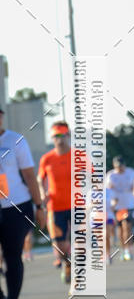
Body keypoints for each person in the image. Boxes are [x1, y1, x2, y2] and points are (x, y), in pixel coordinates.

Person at [0, 107, 45, 299]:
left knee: (12, 256)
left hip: (16, 206)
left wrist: (39, 206)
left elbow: (29, 175)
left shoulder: (15, 141)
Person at [38, 121, 72, 286]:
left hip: (77, 206)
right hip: (55, 207)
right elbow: (40, 178)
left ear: (68, 135)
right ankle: (67, 263)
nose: (58, 139)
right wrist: (42, 192)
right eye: (55, 136)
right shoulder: (47, 159)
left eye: (61, 135)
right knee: (59, 245)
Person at [105, 155, 134, 261]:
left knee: (127, 227)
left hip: (129, 204)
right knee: (120, 229)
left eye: (121, 166)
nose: (119, 168)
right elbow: (107, 191)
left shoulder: (131, 173)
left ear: (124, 165)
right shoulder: (110, 175)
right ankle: (124, 249)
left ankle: (129, 249)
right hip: (117, 206)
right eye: (117, 166)